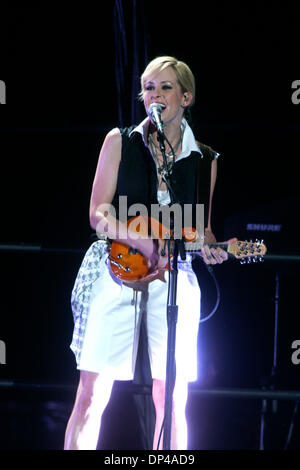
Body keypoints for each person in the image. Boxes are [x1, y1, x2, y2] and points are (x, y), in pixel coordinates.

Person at [64, 56, 236, 450]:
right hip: (116, 266)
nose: (155, 96)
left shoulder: (204, 159)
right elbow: (97, 213)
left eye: (165, 87)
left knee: (173, 397)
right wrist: (137, 238)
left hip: (172, 273)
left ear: (186, 97)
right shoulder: (120, 141)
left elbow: (201, 228)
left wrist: (213, 248)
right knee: (92, 393)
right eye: (148, 88)